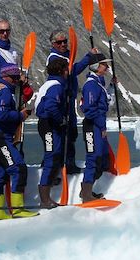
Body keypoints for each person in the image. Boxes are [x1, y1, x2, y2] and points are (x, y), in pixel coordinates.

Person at [0, 63, 38, 221]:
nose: (16, 80)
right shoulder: (4, 93)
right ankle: (17, 209)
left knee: (1, 173)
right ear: (5, 77)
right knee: (18, 168)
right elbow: (0, 114)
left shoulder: (3, 91)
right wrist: (20, 116)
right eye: (14, 77)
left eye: (18, 77)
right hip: (2, 136)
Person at [46, 30, 97, 175]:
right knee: (61, 135)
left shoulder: (67, 55)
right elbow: (72, 70)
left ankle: (70, 163)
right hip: (62, 101)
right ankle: (56, 168)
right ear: (53, 44)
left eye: (64, 41)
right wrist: (88, 57)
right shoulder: (54, 58)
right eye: (59, 42)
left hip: (69, 101)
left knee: (72, 134)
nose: (63, 44)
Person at [79, 53, 116, 203]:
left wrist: (112, 86)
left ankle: (87, 191)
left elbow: (106, 103)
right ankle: (86, 194)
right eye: (104, 64)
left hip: (98, 126)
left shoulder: (99, 83)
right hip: (92, 126)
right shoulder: (91, 85)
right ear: (96, 67)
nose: (107, 67)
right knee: (93, 158)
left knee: (99, 157)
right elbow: (88, 108)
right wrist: (101, 125)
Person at [35, 58, 69, 208]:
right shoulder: (56, 86)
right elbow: (50, 106)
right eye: (67, 69)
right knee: (51, 157)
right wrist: (61, 119)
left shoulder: (49, 84)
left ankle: (46, 197)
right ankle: (44, 200)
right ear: (62, 71)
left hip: (47, 125)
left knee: (53, 156)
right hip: (49, 125)